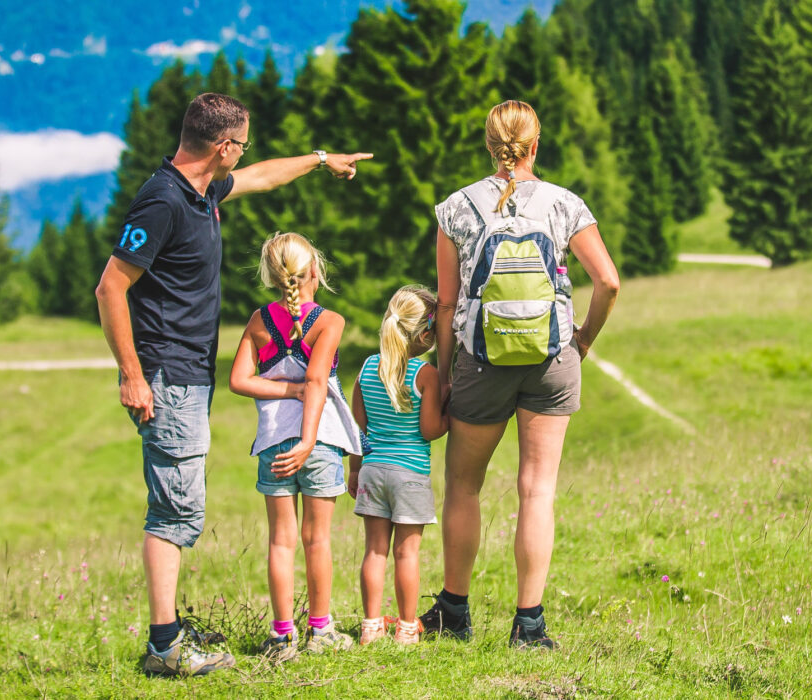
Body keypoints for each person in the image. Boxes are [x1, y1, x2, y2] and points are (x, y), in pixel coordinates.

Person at [94, 93, 372, 677]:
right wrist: (133, 375)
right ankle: (166, 645)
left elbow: (264, 178)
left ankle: (170, 632)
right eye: (240, 145)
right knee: (174, 512)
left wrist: (322, 159)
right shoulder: (163, 201)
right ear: (222, 145)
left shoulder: (202, 191)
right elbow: (110, 288)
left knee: (183, 507)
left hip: (189, 377)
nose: (243, 155)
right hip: (165, 377)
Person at [420, 100, 620, 648]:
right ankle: (529, 625)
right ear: (536, 146)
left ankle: (454, 613)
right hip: (552, 360)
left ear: (489, 146)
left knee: (463, 484)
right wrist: (580, 341)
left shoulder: (456, 209)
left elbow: (445, 302)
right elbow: (608, 282)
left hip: (481, 362)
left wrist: (444, 371)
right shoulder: (564, 204)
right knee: (537, 491)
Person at [229, 232, 362, 661]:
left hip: (272, 442)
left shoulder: (258, 321)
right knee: (317, 539)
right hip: (318, 442)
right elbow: (318, 381)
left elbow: (238, 380)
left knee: (280, 542)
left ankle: (281, 635)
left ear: (271, 276)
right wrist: (307, 438)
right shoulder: (329, 321)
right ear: (315, 272)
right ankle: (319, 631)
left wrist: (283, 390)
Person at [347, 286, 448, 645]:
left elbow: (358, 426)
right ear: (425, 335)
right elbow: (429, 429)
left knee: (374, 550)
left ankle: (371, 626)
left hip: (373, 470)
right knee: (406, 553)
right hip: (409, 475)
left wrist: (355, 470)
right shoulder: (426, 375)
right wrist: (450, 414)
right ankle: (406, 628)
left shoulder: (367, 366)